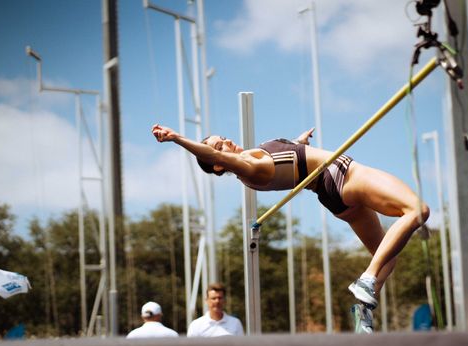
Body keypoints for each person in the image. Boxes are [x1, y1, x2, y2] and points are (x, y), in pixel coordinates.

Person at [152, 124, 429, 333]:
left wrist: (299, 144)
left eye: (221, 138)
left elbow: (289, 163)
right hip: (342, 174)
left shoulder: (252, 157)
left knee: (387, 257)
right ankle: (366, 280)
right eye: (218, 146)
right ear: (217, 163)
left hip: (331, 193)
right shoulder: (246, 168)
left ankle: (363, 309)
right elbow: (222, 157)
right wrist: (177, 138)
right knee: (418, 210)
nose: (224, 141)